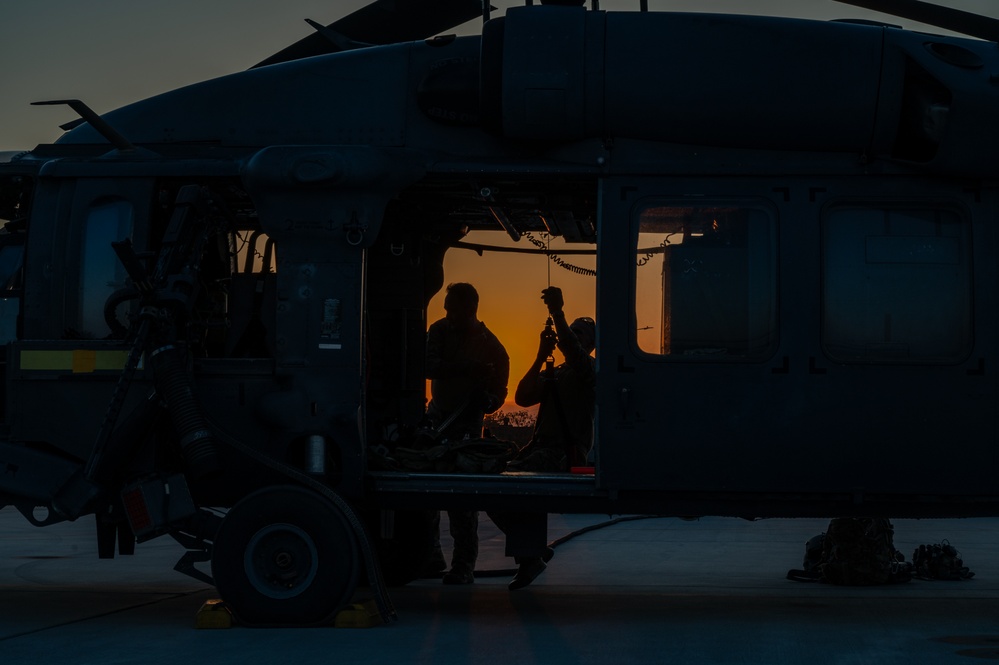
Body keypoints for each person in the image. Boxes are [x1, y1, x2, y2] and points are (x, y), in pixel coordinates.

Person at [490, 286, 596, 590]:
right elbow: (523, 397)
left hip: (562, 455)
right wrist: (539, 356)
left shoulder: (588, 370)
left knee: (507, 487)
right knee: (491, 487)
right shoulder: (559, 372)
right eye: (571, 331)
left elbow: (574, 352)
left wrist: (558, 313)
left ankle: (530, 555)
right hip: (539, 450)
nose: (572, 337)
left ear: (590, 344)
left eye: (580, 334)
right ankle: (530, 553)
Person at [425, 282, 509, 585]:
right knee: (426, 492)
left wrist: (488, 400)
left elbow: (499, 391)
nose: (446, 312)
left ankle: (463, 565)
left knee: (462, 498)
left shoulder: (493, 347)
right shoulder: (439, 331)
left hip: (468, 429)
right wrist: (465, 368)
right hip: (436, 422)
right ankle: (430, 555)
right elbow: (428, 365)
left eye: (451, 307)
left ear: (469, 308)